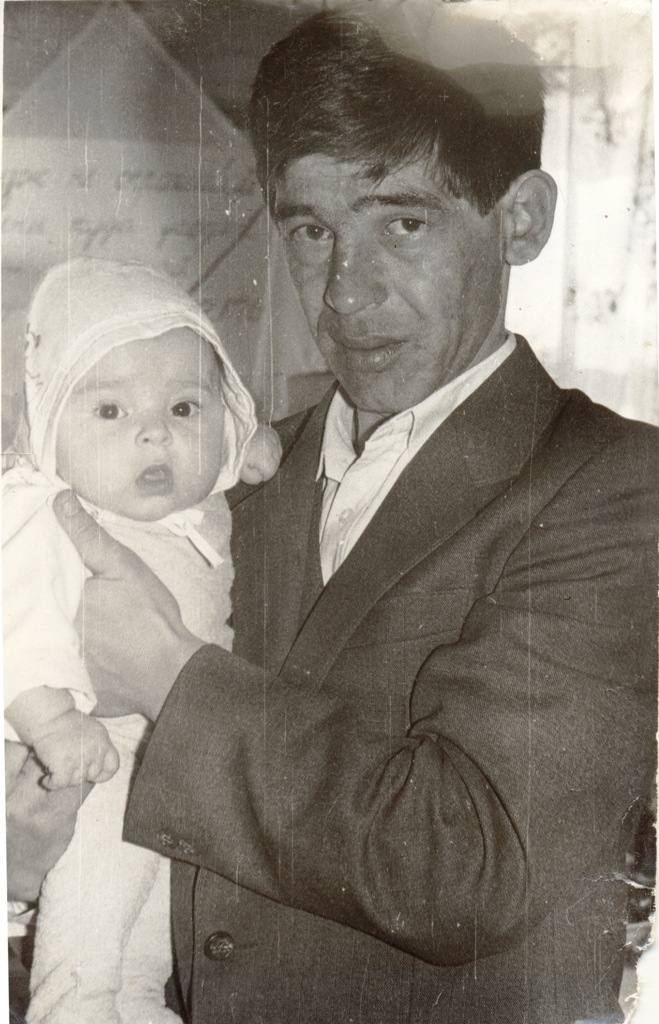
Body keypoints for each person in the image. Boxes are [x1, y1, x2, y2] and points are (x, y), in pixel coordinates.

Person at [7, 5, 657, 1023]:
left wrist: (173, 679)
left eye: (402, 222)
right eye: (311, 231)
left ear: (520, 221)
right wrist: (21, 850)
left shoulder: (613, 485)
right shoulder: (216, 474)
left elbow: (473, 863)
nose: (345, 292)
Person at [3, 258, 280, 1023]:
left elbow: (225, 450)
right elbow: (14, 620)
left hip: (179, 749)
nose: (154, 431)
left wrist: (248, 447)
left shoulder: (188, 493)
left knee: (151, 938)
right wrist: (52, 722)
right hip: (94, 752)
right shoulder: (45, 510)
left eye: (183, 407)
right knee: (89, 929)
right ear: (50, 428)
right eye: (110, 411)